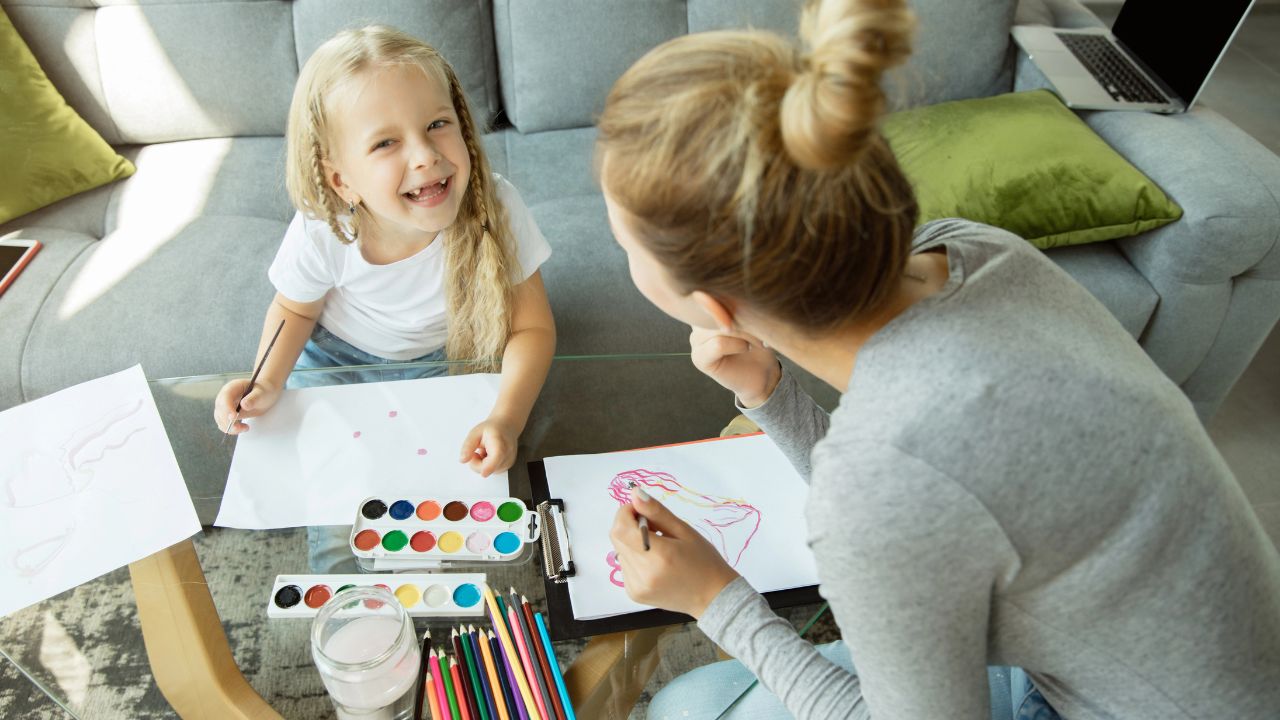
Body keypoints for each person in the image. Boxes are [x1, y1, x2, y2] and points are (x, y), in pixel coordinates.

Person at [597, 0, 1280, 718]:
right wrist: (772, 397)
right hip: (1147, 654)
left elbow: (901, 494)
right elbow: (931, 494)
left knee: (679, 709)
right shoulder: (976, 251)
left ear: (714, 308)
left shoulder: (882, 485)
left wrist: (717, 601)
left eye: (625, 245)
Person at [212, 26, 555, 573]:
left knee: (425, 514)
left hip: (440, 364)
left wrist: (506, 420)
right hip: (333, 365)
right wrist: (265, 380)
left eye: (437, 125)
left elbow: (531, 329)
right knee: (336, 515)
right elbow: (294, 309)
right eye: (386, 142)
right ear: (342, 180)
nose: (425, 156)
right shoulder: (324, 229)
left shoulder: (497, 207)